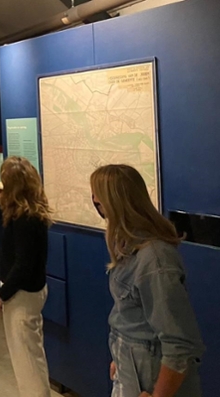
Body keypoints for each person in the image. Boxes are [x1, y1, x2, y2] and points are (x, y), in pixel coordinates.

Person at [90, 164, 204, 397]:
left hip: (151, 381)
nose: (95, 202)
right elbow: (132, 317)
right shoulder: (129, 247)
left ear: (115, 203)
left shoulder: (155, 260)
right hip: (133, 373)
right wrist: (122, 359)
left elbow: (180, 344)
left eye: (98, 198)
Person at [0, 156, 51, 397]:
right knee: (32, 355)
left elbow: (22, 266)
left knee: (27, 363)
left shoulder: (25, 219)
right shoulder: (31, 212)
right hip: (29, 293)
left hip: (21, 298)